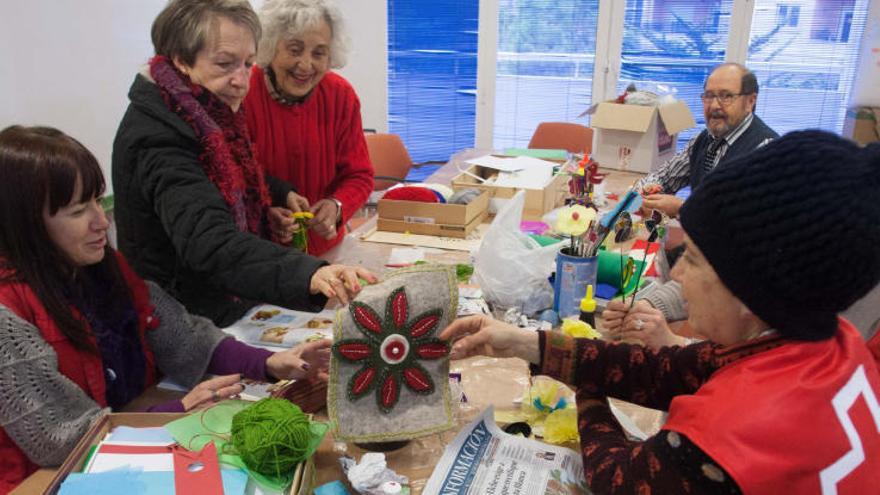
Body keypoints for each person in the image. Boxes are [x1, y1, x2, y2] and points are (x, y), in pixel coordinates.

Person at [442, 131, 880, 493]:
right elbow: (664, 371)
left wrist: (584, 388)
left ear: (750, 293)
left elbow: (617, 479)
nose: (679, 275)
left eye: (694, 258)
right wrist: (521, 341)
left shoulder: (728, 438)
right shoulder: (825, 342)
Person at [0, 126, 332, 491]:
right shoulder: (7, 315)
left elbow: (182, 334)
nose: (101, 220)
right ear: (24, 223)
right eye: (79, 210)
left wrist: (267, 363)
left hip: (125, 444)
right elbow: (59, 437)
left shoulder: (99, 269)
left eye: (98, 200)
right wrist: (172, 414)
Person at [113, 0, 374, 327]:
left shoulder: (199, 109)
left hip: (222, 304)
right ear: (181, 60)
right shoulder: (160, 133)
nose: (241, 80)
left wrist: (278, 195)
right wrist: (309, 272)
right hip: (183, 321)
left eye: (247, 63)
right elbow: (210, 242)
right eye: (224, 64)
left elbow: (230, 175)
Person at [244, 0, 374, 256]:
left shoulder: (340, 95)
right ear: (270, 47)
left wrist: (337, 206)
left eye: (318, 53)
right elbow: (233, 176)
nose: (305, 65)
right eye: (294, 50)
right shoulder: (242, 93)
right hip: (258, 257)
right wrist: (265, 212)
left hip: (325, 251)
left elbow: (359, 175)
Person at [636, 63, 779, 218]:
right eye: (709, 96)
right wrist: (648, 190)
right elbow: (663, 177)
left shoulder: (766, 150)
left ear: (750, 101)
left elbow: (749, 217)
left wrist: (683, 208)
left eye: (726, 96)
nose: (714, 106)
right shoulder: (703, 139)